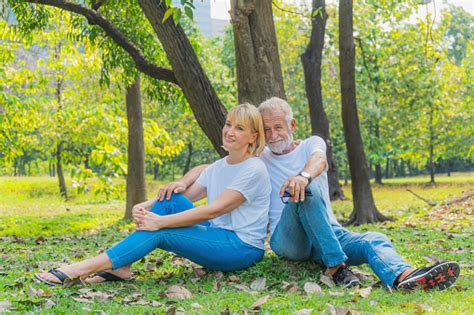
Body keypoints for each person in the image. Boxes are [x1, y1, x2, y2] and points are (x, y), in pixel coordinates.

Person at [158, 97, 460, 291]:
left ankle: (404, 276)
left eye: (279, 127)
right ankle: (336, 267)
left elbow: (319, 161)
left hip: (329, 232)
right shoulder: (257, 159)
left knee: (373, 239)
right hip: (289, 239)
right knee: (300, 192)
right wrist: (183, 182)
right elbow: (208, 167)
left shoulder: (309, 144)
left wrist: (303, 175)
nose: (274, 135)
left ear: (292, 125)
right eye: (267, 130)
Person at [35, 103, 271, 286]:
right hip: (218, 235)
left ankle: (79, 269)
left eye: (239, 128)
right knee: (170, 201)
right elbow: (184, 196)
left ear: (253, 137)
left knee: (160, 232)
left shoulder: (254, 169)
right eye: (228, 124)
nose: (229, 131)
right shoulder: (219, 167)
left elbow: (214, 210)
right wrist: (146, 205)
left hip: (241, 248)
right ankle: (120, 266)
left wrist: (159, 222)